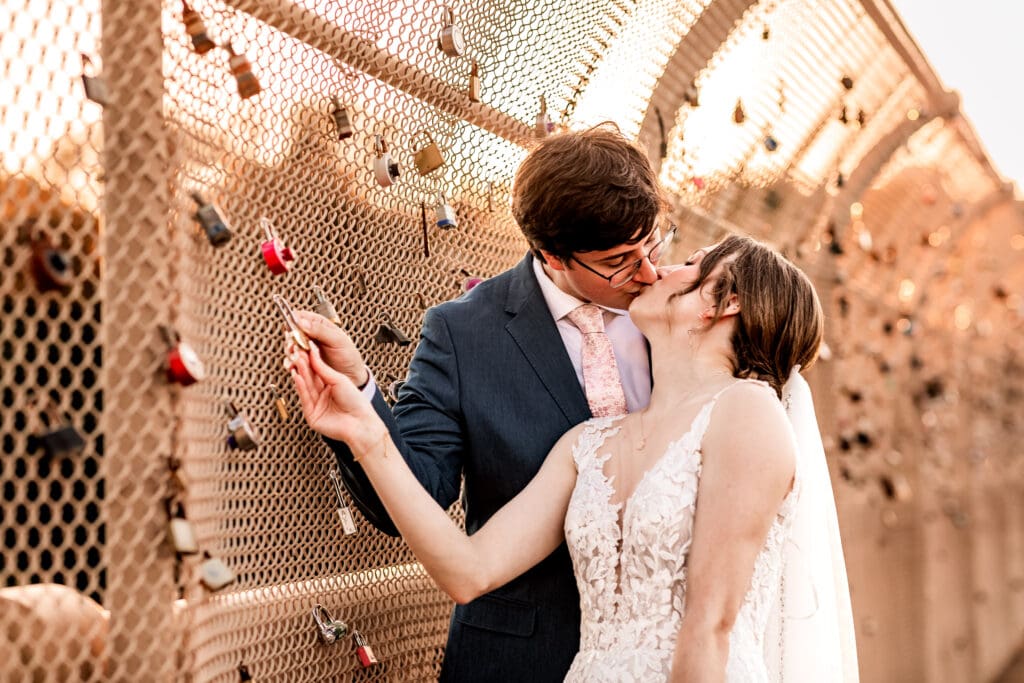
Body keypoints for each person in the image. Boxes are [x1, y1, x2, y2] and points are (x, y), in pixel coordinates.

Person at [288, 234, 860, 681]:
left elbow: (710, 627)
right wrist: (364, 430)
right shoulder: (589, 443)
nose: (658, 270)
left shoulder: (747, 412)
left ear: (722, 301)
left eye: (690, 264)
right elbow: (467, 569)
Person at [291, 124, 669, 681]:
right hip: (519, 659)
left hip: (662, 645)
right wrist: (360, 398)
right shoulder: (462, 333)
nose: (648, 271)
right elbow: (419, 494)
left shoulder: (682, 305)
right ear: (552, 254)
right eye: (618, 260)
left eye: (653, 243)